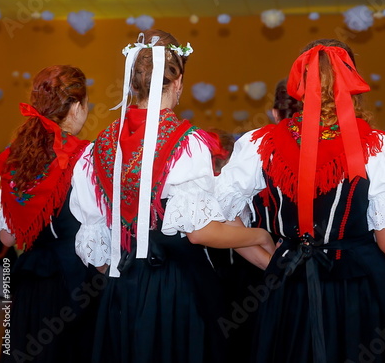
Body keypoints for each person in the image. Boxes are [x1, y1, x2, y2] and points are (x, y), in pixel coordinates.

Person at [215, 39, 385, 363]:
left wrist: (270, 258)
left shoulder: (261, 143)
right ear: (352, 83)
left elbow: (218, 217)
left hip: (289, 290)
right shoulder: (378, 147)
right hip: (356, 292)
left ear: (301, 83)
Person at [69, 29, 274, 363]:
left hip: (122, 288)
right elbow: (201, 233)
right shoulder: (187, 143)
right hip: (177, 289)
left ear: (133, 84)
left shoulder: (96, 149)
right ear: (177, 83)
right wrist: (261, 233)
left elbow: (97, 247)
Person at [0, 65, 102, 363]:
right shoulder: (86, 157)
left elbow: (7, 235)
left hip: (32, 284)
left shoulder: (16, 159)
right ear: (77, 107)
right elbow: (97, 231)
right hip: (77, 282)